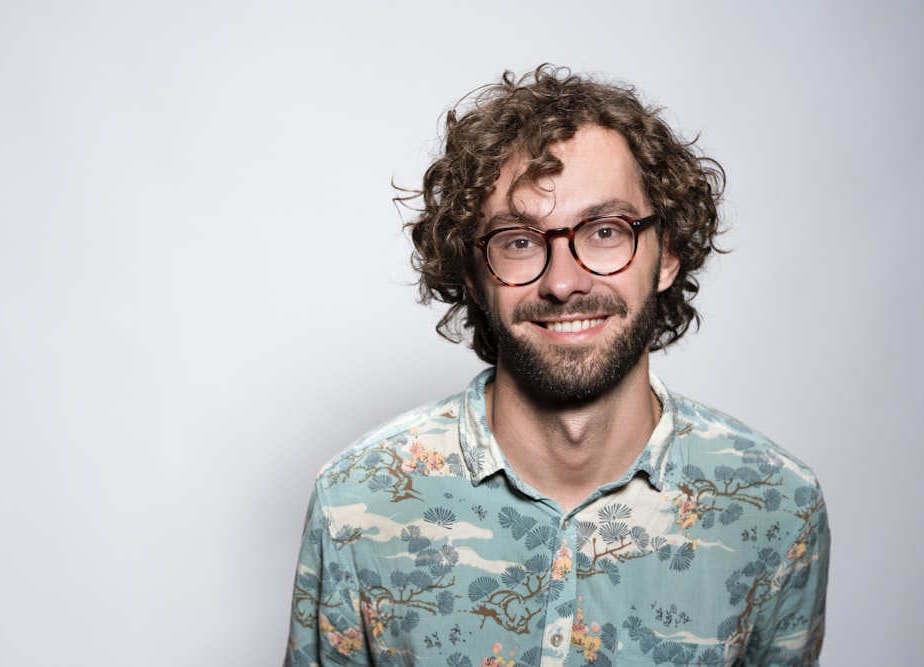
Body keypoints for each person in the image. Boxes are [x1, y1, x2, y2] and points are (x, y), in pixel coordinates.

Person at [285, 65, 829, 666]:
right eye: (518, 240)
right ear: (471, 274)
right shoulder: (357, 501)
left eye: (604, 230)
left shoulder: (777, 507)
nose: (564, 282)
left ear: (668, 253)